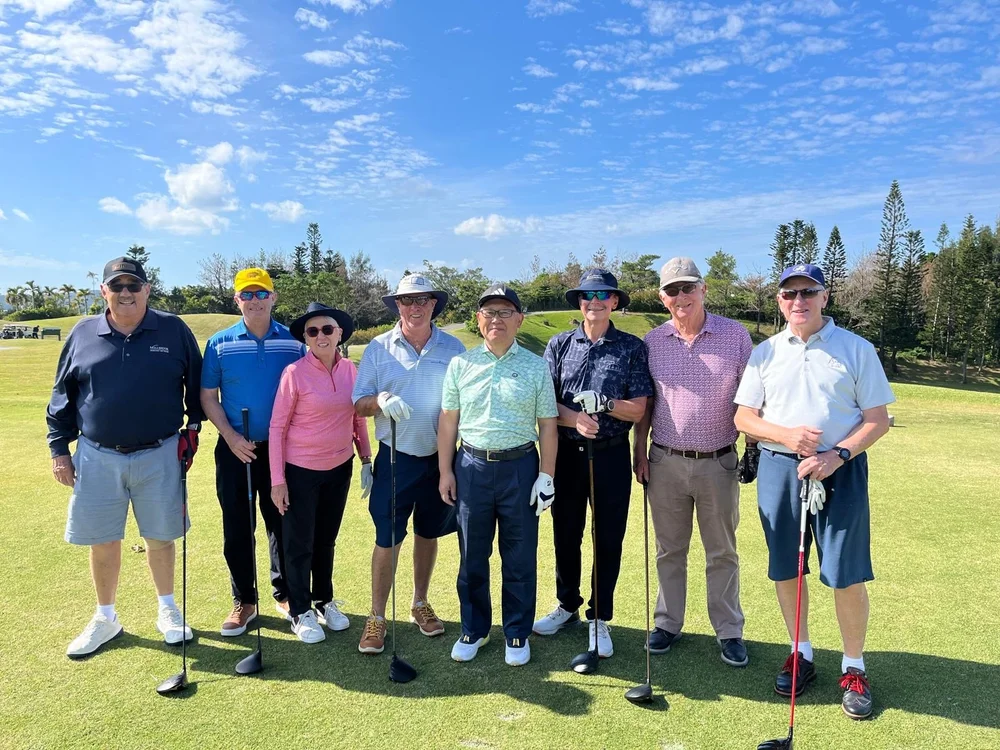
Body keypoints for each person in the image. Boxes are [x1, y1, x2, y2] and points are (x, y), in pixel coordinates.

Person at [734, 263, 894, 720]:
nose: (798, 302)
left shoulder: (856, 349)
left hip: (839, 471)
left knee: (845, 573)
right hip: (778, 469)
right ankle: (800, 653)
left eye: (808, 292)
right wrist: (785, 436)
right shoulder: (764, 352)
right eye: (789, 295)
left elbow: (877, 419)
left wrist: (835, 456)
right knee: (787, 568)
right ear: (780, 302)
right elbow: (744, 418)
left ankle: (853, 667)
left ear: (826, 297)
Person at [48, 256, 203, 658]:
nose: (126, 293)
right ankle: (106, 618)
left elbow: (197, 382)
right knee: (102, 541)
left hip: (161, 451)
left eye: (134, 285)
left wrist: (194, 428)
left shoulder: (172, 329)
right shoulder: (83, 333)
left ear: (147, 289)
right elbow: (62, 395)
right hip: (97, 455)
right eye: (117, 286)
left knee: (160, 537)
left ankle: (168, 611)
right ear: (104, 292)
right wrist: (59, 450)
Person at [633, 257, 753, 668]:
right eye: (672, 290)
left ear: (703, 289)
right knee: (670, 550)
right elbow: (646, 405)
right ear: (662, 297)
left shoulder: (735, 336)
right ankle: (667, 622)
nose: (681, 296)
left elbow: (752, 399)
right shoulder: (652, 341)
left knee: (722, 551)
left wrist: (752, 446)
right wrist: (639, 451)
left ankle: (729, 630)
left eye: (688, 288)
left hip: (718, 462)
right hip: (664, 460)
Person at [533, 269, 653, 661]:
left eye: (603, 294)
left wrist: (604, 405)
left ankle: (600, 616)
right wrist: (576, 419)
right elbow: (546, 405)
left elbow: (638, 409)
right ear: (579, 303)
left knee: (608, 538)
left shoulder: (631, 347)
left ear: (614, 301)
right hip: (567, 455)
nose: (595, 301)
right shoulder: (559, 344)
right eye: (587, 295)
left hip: (610, 455)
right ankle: (567, 605)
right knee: (566, 534)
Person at [438, 284, 559, 667]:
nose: (496, 319)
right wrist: (445, 470)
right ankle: (474, 628)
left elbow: (549, 426)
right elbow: (448, 421)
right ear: (478, 321)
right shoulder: (462, 365)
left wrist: (547, 476)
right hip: (471, 466)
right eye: (489, 312)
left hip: (521, 468)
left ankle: (517, 631)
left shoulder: (536, 366)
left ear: (519, 319)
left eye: (505, 312)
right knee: (473, 554)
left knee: (519, 555)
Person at [352, 273, 466, 654]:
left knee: (428, 532)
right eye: (407, 301)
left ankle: (419, 602)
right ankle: (377, 616)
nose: (414, 308)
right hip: (395, 457)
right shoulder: (378, 347)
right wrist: (380, 399)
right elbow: (358, 402)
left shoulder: (453, 348)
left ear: (434, 304)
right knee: (388, 537)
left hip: (441, 458)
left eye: (423, 300)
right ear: (397, 306)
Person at [201, 268, 305, 636]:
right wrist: (229, 436)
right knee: (237, 528)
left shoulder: (294, 343)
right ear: (237, 300)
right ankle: (245, 600)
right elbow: (207, 397)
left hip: (282, 451)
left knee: (282, 524)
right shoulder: (219, 343)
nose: (256, 300)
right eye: (248, 294)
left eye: (262, 294)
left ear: (274, 298)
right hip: (235, 449)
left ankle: (287, 594)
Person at [269, 303, 372, 643]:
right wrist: (277, 480)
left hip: (339, 467)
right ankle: (300, 610)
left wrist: (366, 458)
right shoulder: (294, 373)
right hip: (301, 471)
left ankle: (323, 600)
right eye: (312, 332)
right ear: (306, 338)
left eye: (327, 329)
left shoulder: (350, 371)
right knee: (299, 543)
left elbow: (358, 417)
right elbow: (277, 428)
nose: (321, 336)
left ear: (339, 333)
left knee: (326, 539)